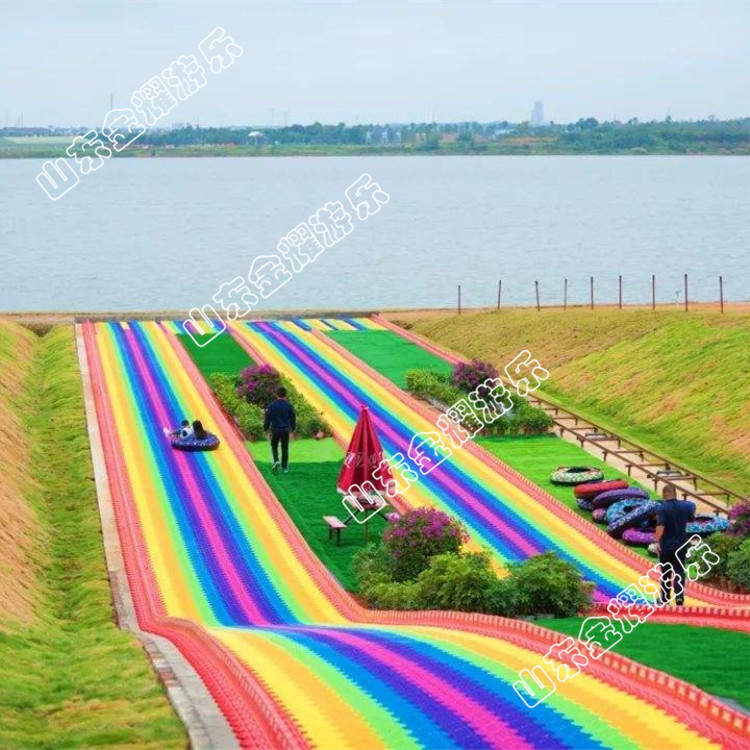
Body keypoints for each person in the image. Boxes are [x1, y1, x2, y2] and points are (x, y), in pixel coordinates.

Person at [654, 485, 696, 606]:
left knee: (666, 573)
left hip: (666, 546)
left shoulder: (662, 508)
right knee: (679, 571)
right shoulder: (685, 506)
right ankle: (679, 598)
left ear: (664, 494)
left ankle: (665, 599)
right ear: (675, 493)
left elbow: (660, 526)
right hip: (682, 545)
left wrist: (656, 541)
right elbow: (692, 518)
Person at [264, 387, 296, 473]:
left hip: (275, 430)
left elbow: (267, 418)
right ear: (285, 395)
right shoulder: (289, 406)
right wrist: (293, 429)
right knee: (285, 448)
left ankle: (276, 460)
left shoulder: (271, 406)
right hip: (285, 430)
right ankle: (284, 467)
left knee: (274, 446)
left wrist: (266, 429)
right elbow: (293, 418)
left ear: (276, 394)